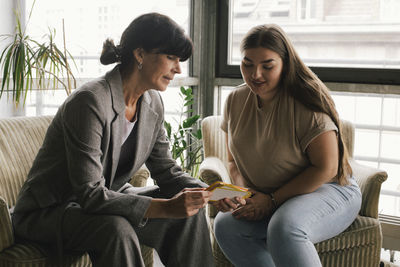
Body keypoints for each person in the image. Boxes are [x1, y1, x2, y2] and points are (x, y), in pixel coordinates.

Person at [12, 13, 214, 267]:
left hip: (105, 200)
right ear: (139, 55)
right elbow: (90, 193)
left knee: (190, 216)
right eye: (171, 57)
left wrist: (211, 194)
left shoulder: (152, 103)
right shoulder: (90, 102)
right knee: (116, 228)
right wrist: (166, 207)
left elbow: (167, 172)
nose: (178, 69)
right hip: (50, 211)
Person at [212, 24, 362, 267]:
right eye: (247, 64)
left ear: (285, 64)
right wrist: (242, 196)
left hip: (328, 190)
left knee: (284, 226)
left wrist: (271, 200)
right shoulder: (235, 101)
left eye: (267, 66)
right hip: (270, 195)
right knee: (226, 225)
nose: (255, 74)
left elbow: (327, 168)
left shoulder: (306, 104)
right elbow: (232, 161)